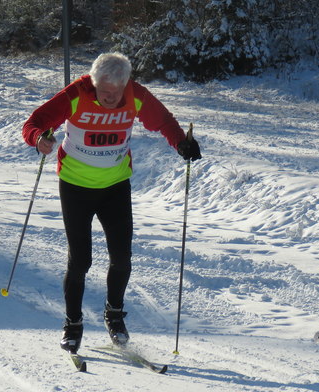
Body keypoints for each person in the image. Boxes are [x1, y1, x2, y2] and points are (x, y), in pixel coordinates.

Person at [22, 52, 201, 353]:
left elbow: (163, 121)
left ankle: (114, 316)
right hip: (76, 186)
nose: (111, 98)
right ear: (94, 83)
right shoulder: (76, 94)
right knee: (80, 261)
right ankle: (73, 324)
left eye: (117, 92)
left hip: (115, 186)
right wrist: (39, 138)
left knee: (122, 258)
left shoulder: (136, 95)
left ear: (126, 84)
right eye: (104, 92)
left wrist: (181, 142)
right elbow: (34, 123)